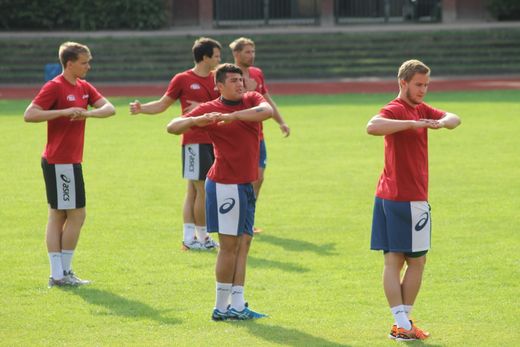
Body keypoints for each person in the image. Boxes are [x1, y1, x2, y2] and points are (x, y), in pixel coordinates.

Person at [166, 63, 273, 320]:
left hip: (245, 184)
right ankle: (221, 307)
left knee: (244, 243)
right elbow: (171, 126)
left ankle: (237, 305)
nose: (240, 83)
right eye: (234, 80)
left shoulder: (251, 99)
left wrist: (233, 116)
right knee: (229, 246)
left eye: (241, 79)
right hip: (226, 185)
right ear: (220, 86)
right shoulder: (211, 108)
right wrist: (197, 119)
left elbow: (266, 110)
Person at [366, 59, 461, 341]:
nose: (423, 90)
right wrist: (410, 123)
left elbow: (455, 118)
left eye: (427, 85)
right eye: (418, 85)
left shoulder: (421, 108)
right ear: (402, 83)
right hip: (407, 197)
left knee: (394, 261)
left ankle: (402, 324)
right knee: (413, 262)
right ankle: (403, 323)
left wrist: (441, 122)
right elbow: (372, 126)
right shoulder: (397, 109)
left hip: (388, 194)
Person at [24, 41, 116, 288]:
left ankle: (60, 273)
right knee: (70, 215)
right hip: (59, 161)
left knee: (64, 214)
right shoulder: (54, 87)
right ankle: (60, 273)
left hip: (69, 161)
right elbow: (29, 114)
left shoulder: (84, 87)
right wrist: (63, 112)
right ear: (70, 63)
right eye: (84, 62)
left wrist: (87, 113)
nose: (89, 66)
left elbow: (110, 108)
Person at [129, 37, 222, 250]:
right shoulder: (183, 79)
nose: (219, 59)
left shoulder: (218, 78)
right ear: (205, 57)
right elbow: (163, 104)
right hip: (194, 142)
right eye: (216, 55)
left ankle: (189, 238)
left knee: (193, 190)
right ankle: (202, 238)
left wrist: (203, 106)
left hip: (213, 141)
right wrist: (142, 108)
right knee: (202, 190)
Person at [229, 37, 290, 233]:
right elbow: (226, 101)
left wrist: (280, 121)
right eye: (247, 52)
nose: (252, 55)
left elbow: (266, 99)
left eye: (253, 51)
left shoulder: (257, 74)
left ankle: (247, 219)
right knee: (239, 180)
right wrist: (248, 90)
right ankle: (236, 219)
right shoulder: (227, 74)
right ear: (236, 54)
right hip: (236, 136)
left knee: (258, 178)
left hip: (258, 136)